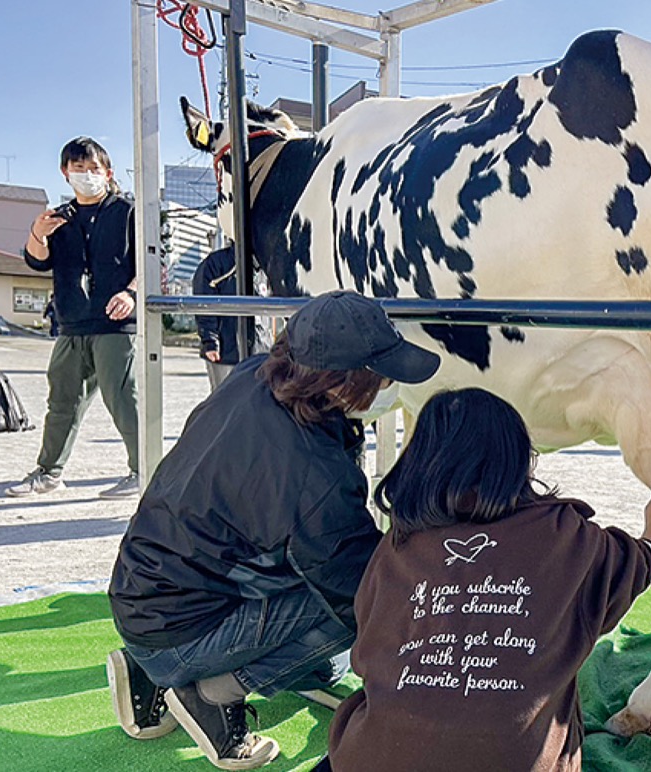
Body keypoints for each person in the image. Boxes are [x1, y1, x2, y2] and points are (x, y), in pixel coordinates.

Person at [106, 290, 441, 770]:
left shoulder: (253, 374)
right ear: (344, 383)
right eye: (380, 372)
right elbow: (363, 589)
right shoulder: (315, 476)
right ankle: (213, 694)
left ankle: (149, 668)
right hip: (178, 636)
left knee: (322, 609)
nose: (388, 383)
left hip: (138, 594)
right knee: (364, 601)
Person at [322, 388, 651, 772]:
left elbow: (367, 648)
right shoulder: (565, 535)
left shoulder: (396, 548)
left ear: (421, 460)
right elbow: (641, 566)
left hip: (375, 758)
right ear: (516, 457)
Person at [6, 137, 141, 499]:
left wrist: (131, 293)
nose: (86, 175)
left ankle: (145, 470)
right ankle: (49, 473)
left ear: (108, 173)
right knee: (61, 401)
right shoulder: (59, 219)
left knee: (123, 398)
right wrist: (38, 233)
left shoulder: (127, 212)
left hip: (115, 324)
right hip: (71, 324)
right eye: (78, 169)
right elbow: (36, 261)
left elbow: (152, 263)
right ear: (65, 173)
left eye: (93, 169)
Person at [192, 245, 267, 391]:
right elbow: (204, 303)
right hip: (226, 350)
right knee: (225, 399)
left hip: (259, 349)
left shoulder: (262, 267)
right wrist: (210, 341)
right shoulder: (216, 263)